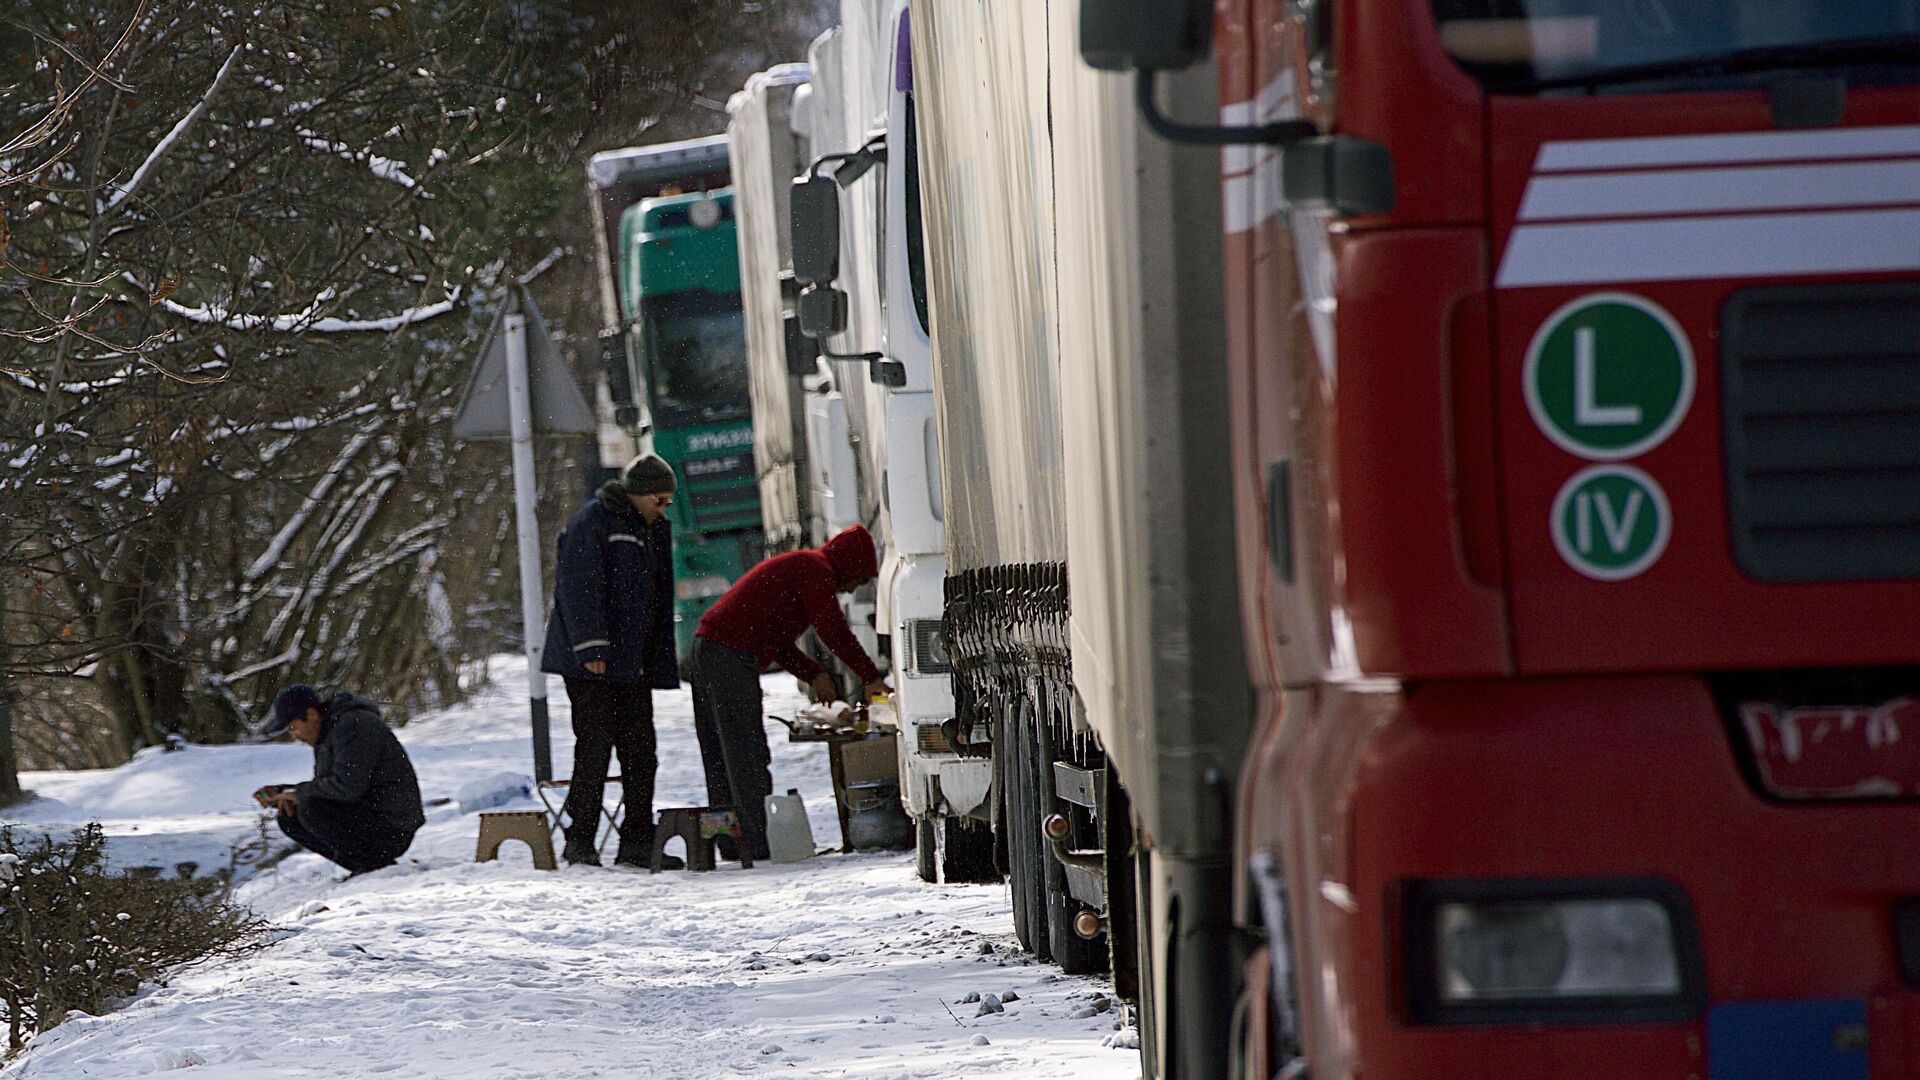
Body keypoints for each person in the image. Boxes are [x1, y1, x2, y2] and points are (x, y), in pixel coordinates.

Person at [690, 523, 892, 860]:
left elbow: (779, 644)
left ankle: (730, 841)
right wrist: (870, 677)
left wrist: (814, 674)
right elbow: (834, 631)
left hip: (710, 648)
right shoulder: (814, 570)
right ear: (849, 566)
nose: (854, 588)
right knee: (744, 752)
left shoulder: (804, 568)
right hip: (727, 653)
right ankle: (754, 841)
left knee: (722, 756)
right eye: (859, 579)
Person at [540, 453, 681, 868]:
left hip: (630, 663)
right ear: (639, 494)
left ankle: (637, 840)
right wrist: (592, 647)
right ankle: (580, 837)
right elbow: (578, 586)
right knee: (595, 748)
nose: (664, 509)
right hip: (595, 663)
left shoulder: (646, 528)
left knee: (641, 751)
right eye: (660, 500)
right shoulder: (594, 522)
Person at [256, 684, 424, 875]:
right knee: (289, 815)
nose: (295, 736)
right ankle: (365, 866)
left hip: (393, 826)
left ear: (311, 715)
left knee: (310, 807)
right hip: (370, 817)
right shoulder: (330, 732)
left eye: (293, 727)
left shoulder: (353, 725)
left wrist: (299, 793)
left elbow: (347, 787)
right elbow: (329, 786)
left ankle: (374, 866)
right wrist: (282, 793)